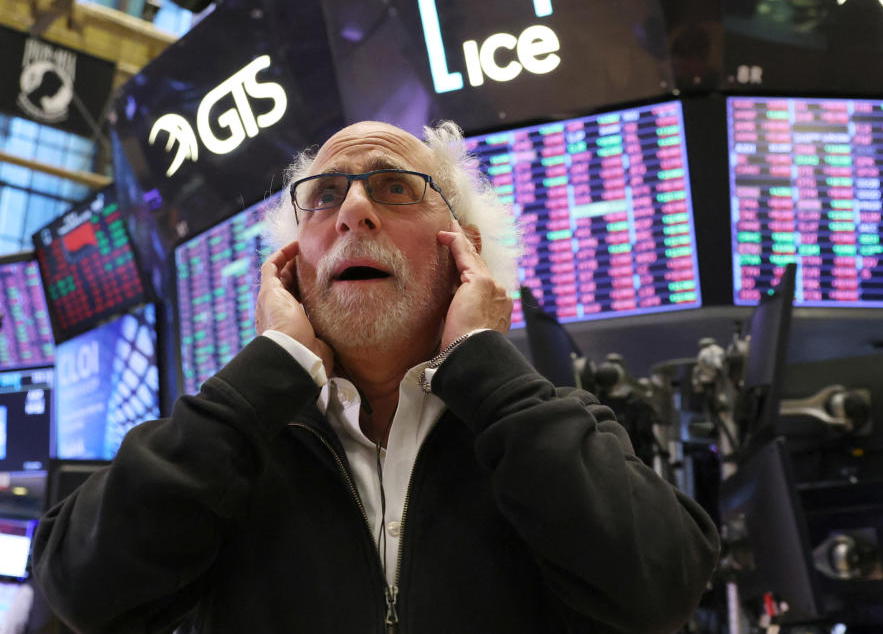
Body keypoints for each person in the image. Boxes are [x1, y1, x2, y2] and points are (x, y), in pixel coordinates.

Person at [32, 120, 721, 633]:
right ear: (292, 267)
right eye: (325, 197)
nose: (355, 212)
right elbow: (80, 589)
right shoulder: (232, 443)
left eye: (395, 188)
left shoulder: (542, 430)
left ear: (465, 254)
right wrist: (269, 369)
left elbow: (662, 588)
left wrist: (482, 360)